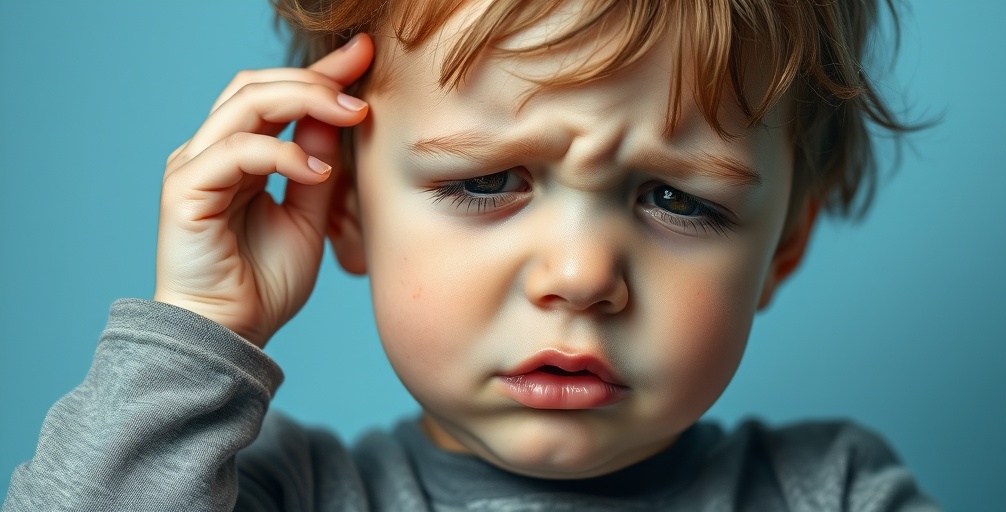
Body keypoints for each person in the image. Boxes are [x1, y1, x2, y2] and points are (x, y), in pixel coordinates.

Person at [3, 0, 940, 510]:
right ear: (345, 208)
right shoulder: (266, 490)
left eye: (675, 199)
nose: (579, 276)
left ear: (785, 242)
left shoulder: (834, 493)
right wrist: (199, 326)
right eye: (488, 182)